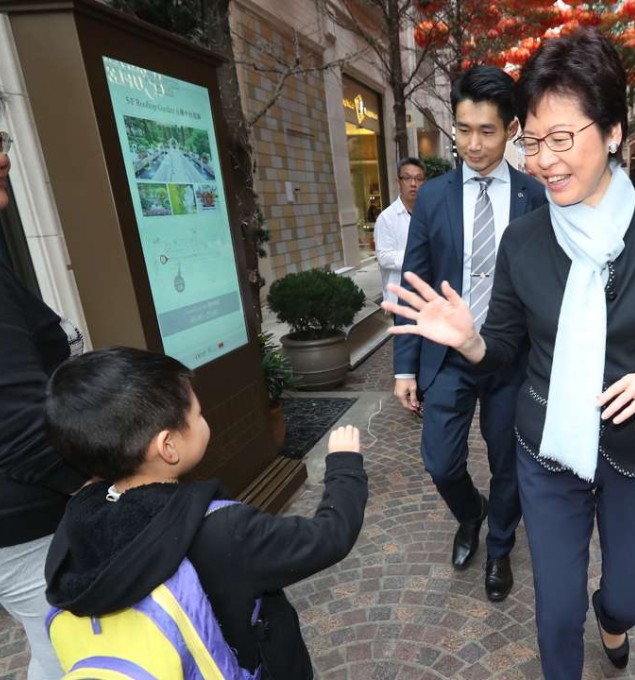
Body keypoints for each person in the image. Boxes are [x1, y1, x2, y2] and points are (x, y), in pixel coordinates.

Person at [384, 29, 635, 679]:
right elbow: (505, 346)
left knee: (627, 596)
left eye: (561, 139)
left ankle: (615, 618)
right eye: (532, 142)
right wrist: (471, 339)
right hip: (547, 447)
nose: (543, 160)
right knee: (554, 614)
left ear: (614, 131)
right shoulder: (525, 240)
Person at [44, 347, 369, 679]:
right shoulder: (223, 530)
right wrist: (344, 465)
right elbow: (329, 537)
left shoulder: (77, 525)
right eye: (198, 414)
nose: (203, 419)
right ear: (167, 446)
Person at [392, 65, 546, 602]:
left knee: (509, 463)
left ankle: (499, 548)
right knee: (439, 460)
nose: (473, 144)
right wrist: (405, 365)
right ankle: (470, 513)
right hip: (447, 356)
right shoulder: (432, 196)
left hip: (510, 359)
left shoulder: (536, 196)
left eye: (486, 131)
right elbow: (412, 281)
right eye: (463, 130)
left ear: (511, 130)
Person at [0, 129, 87, 680]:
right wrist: (111, 484)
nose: (4, 154)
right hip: (25, 519)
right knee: (70, 650)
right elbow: (17, 424)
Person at [376, 157, 425, 307]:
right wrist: (418, 257)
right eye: (407, 178)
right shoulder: (387, 218)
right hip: (400, 296)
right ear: (398, 182)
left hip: (428, 294)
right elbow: (384, 257)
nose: (413, 184)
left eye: (418, 179)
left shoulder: (431, 214)